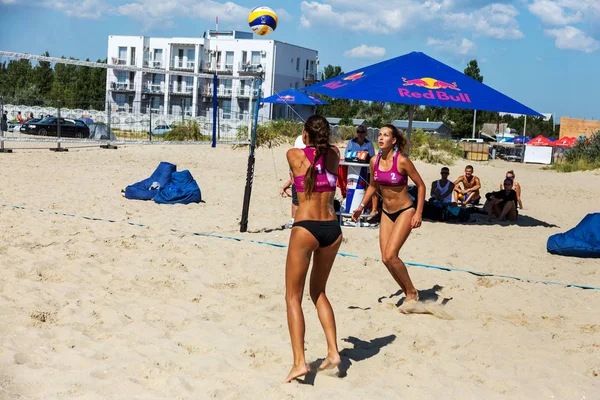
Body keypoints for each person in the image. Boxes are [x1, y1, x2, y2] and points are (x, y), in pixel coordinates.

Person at [284, 115, 342, 382]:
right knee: (319, 292)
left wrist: (306, 140)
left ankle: (299, 362)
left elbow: (302, 161)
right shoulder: (334, 154)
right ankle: (333, 352)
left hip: (306, 226)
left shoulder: (294, 154)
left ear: (305, 134)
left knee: (293, 297)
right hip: (332, 229)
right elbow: (323, 154)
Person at [352, 124, 426, 311]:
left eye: (386, 135)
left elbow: (421, 185)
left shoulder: (402, 161)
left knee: (392, 255)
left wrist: (418, 212)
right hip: (386, 212)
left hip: (404, 211)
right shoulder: (374, 160)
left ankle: (411, 292)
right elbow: (372, 186)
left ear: (393, 141)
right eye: (380, 135)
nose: (381, 138)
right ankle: (408, 291)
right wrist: (361, 207)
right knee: (385, 259)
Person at [346, 124, 379, 221]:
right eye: (358, 132)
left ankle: (374, 209)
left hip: (367, 170)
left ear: (366, 133)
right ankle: (351, 207)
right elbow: (347, 154)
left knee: (372, 188)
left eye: (362, 132)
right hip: (354, 170)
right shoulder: (351, 142)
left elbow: (372, 157)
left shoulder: (369, 144)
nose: (360, 134)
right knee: (351, 188)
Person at [280, 135, 307, 229]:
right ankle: (293, 220)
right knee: (295, 199)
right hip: (297, 177)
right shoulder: (299, 140)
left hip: (307, 177)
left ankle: (301, 220)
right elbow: (292, 163)